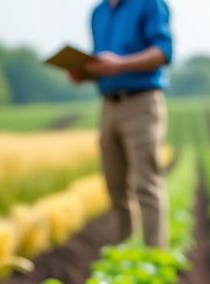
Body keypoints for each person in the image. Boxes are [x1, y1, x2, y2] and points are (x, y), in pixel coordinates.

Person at [71, 0, 173, 248]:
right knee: (115, 185)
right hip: (108, 105)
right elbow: (103, 62)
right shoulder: (99, 12)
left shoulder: (149, 4)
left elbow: (163, 52)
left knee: (146, 184)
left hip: (142, 103)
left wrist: (121, 64)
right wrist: (84, 72)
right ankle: (123, 257)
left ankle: (155, 257)